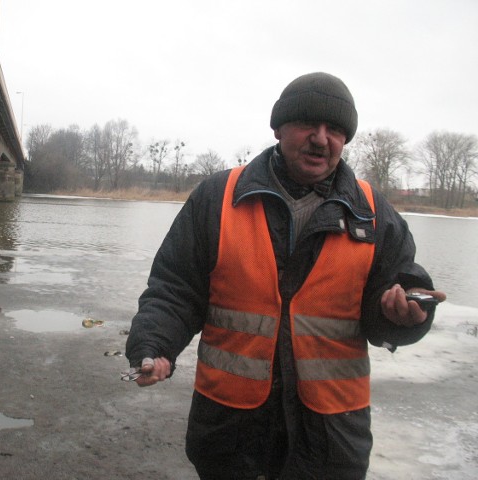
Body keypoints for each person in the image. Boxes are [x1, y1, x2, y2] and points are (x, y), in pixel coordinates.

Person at [124, 72, 446, 480]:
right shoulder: (217, 197)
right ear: (278, 129)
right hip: (230, 435)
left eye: (335, 130)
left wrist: (404, 316)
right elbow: (174, 290)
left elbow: (397, 292)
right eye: (307, 124)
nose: (320, 138)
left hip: (330, 442)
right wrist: (154, 345)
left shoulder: (372, 212)